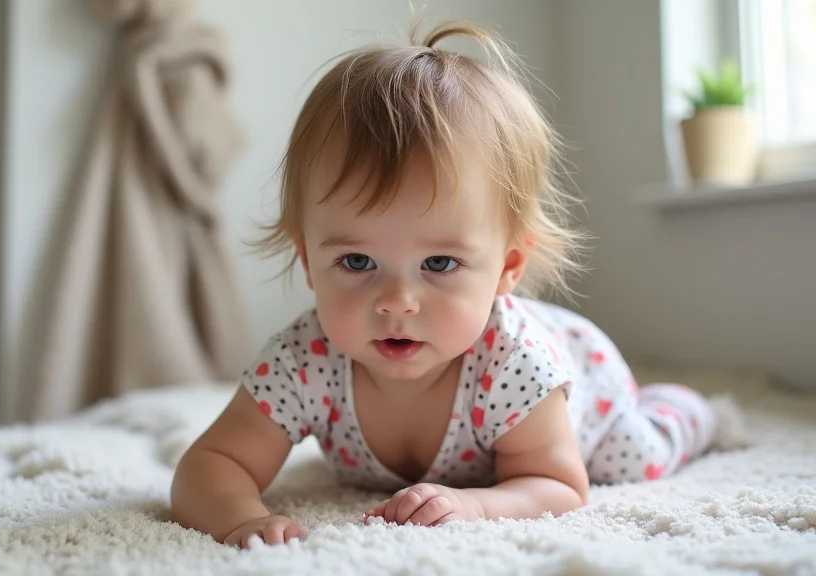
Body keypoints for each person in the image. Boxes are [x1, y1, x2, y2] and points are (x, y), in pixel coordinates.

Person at [170, 19, 720, 548]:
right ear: (309, 261)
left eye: (438, 264)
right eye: (357, 261)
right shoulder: (301, 361)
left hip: (590, 392)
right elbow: (213, 463)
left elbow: (559, 485)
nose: (397, 303)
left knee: (633, 457)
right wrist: (243, 519)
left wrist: (474, 505)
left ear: (507, 267)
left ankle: (690, 409)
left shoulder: (516, 363)